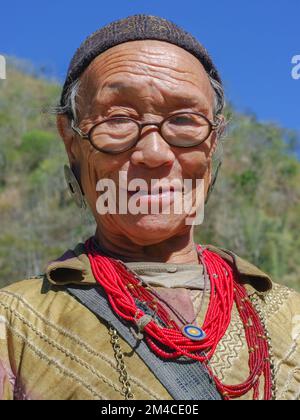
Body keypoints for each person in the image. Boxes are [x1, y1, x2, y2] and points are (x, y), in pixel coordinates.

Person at [0, 14, 299, 400]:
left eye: (184, 120)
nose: (154, 153)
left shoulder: (288, 317)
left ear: (214, 140)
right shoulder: (15, 322)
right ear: (71, 141)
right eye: (119, 119)